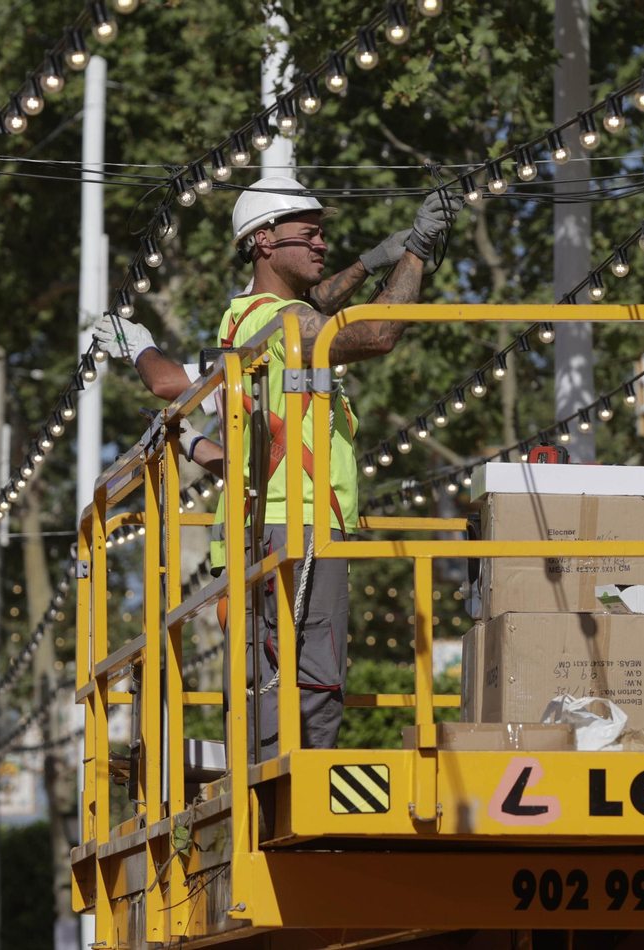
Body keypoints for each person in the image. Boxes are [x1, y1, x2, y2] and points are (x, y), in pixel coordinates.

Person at [93, 176, 463, 754]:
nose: (321, 244)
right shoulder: (275, 324)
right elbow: (378, 333)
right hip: (296, 525)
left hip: (264, 526)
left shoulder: (254, 322)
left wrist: (369, 263)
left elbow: (311, 309)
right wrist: (417, 249)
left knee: (267, 673)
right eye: (308, 234)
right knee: (309, 675)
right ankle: (293, 798)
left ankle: (264, 794)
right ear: (263, 240)